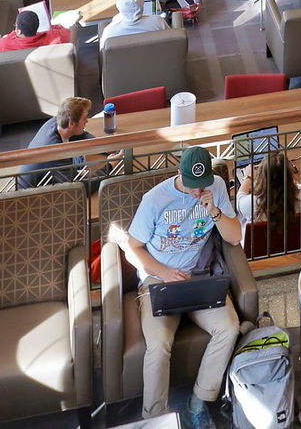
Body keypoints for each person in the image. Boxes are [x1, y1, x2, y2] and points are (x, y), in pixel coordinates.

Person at [122, 147, 242, 426]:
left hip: (199, 276)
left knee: (228, 327)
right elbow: (132, 248)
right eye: (191, 187)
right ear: (178, 175)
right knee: (159, 344)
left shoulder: (217, 187)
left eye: (201, 187)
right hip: (158, 281)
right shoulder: (154, 200)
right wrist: (164, 273)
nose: (196, 193)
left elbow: (234, 238)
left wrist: (214, 211)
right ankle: (155, 418)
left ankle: (198, 402)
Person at [16, 96, 93, 189]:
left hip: (48, 182)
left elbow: (82, 135)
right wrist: (110, 166)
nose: (87, 121)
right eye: (84, 118)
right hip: (32, 198)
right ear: (71, 124)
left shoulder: (56, 122)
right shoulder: (54, 152)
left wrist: (105, 146)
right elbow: (81, 186)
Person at [235, 150, 301, 230]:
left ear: (262, 177)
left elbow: (239, 199)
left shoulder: (253, 202)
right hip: (294, 240)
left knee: (241, 219)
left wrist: (249, 177)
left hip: (263, 242)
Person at [0, 8, 72, 54]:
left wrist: (9, 36)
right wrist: (55, 26)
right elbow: (69, 33)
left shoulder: (4, 45)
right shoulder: (55, 37)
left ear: (19, 31)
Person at [101, 0, 168, 39]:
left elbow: (103, 51)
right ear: (142, 3)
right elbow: (171, 39)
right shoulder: (158, 22)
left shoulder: (109, 32)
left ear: (119, 6)